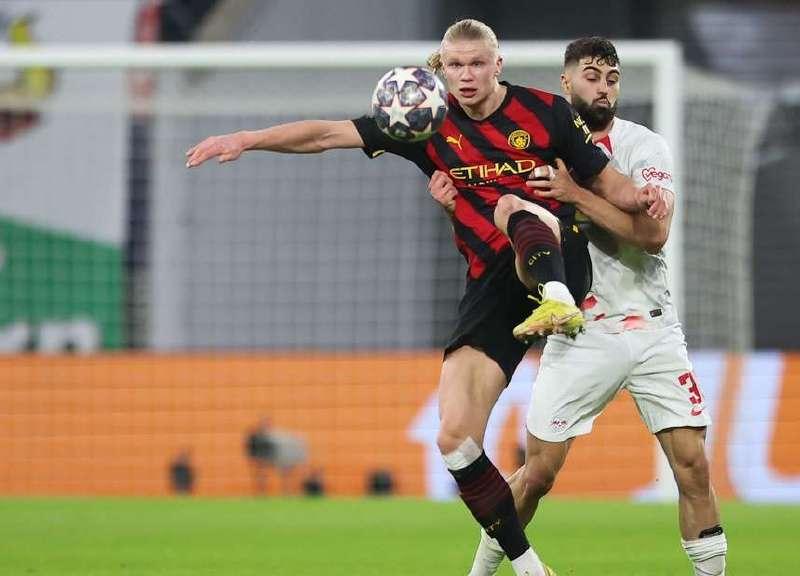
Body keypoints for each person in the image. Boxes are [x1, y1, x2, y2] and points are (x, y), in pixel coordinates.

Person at [184, 19, 666, 576]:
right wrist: (247, 139)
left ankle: (555, 297)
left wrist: (643, 195)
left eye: (477, 64)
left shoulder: (546, 113)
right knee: (455, 438)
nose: (467, 75)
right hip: (491, 282)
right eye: (456, 65)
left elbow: (610, 185)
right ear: (443, 67)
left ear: (497, 65)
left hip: (558, 255)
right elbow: (325, 135)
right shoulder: (424, 119)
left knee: (511, 205)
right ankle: (530, 568)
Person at [429, 38, 728, 576]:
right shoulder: (534, 142)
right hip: (579, 330)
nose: (604, 88)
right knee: (538, 474)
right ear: (566, 83)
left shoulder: (643, 147)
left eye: (612, 78)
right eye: (592, 77)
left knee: (693, 466)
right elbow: (497, 236)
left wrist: (575, 194)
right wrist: (454, 209)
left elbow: (653, 235)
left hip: (653, 329)